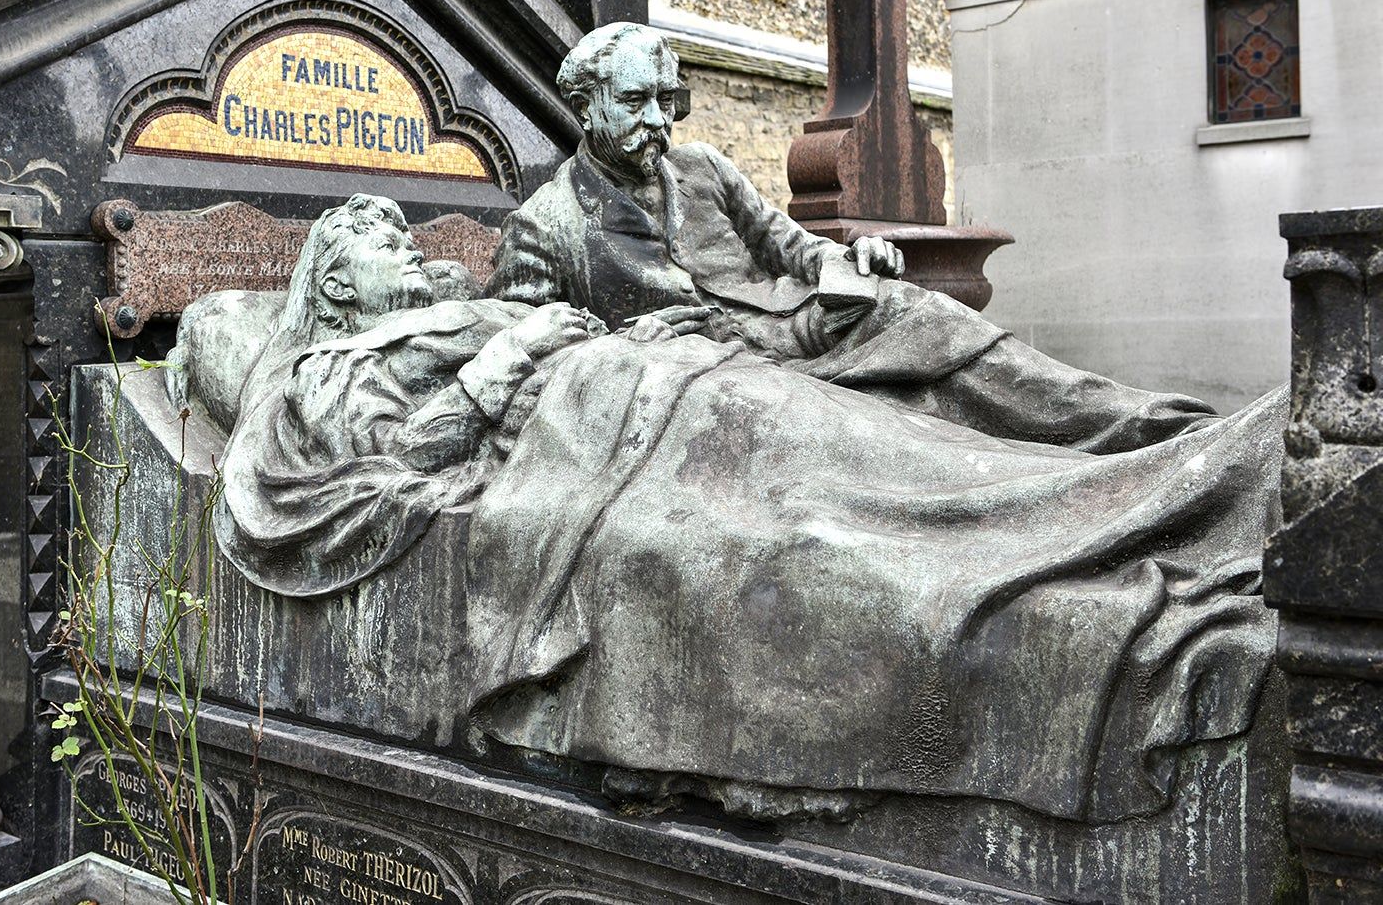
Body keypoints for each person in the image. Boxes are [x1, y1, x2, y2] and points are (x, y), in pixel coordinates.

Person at [217, 193, 1284, 824]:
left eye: (403, 230)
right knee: (825, 531)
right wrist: (501, 363)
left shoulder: (470, 302)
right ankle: (1154, 518)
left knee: (916, 455)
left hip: (672, 390)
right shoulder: (331, 370)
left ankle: (1193, 485)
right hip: (603, 450)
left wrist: (551, 336)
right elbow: (382, 479)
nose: (400, 242)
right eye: (369, 235)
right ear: (330, 281)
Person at [487, 23, 1216, 453]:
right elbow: (527, 367)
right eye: (637, 101)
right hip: (725, 382)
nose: (660, 121)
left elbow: (790, 246)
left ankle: (1142, 427)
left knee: (927, 318)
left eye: (667, 100)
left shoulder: (702, 167)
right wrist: (626, 347)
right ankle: (1068, 464)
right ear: (585, 107)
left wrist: (848, 256)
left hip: (811, 324)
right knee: (911, 421)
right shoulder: (546, 228)